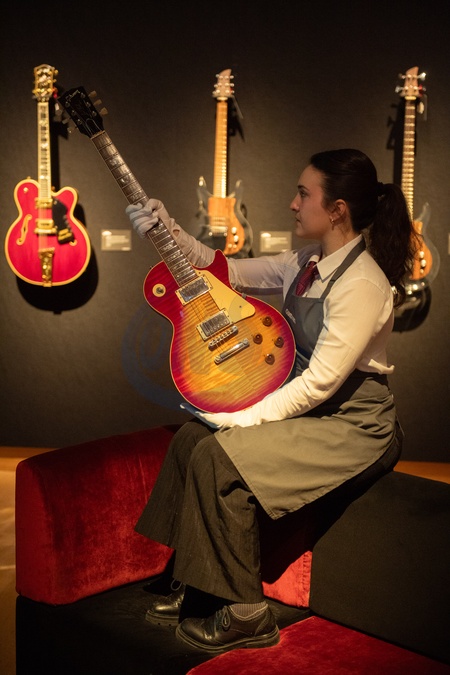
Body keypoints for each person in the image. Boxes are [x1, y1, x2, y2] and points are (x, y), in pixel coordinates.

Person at [126, 148, 417, 654]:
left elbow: (319, 385)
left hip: (354, 424)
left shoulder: (363, 283)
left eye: (304, 194)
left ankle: (247, 614)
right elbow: (225, 270)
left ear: (337, 209)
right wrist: (166, 228)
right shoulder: (304, 262)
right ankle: (195, 583)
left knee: (220, 458)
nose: (292, 203)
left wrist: (240, 418)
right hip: (313, 407)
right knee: (193, 439)